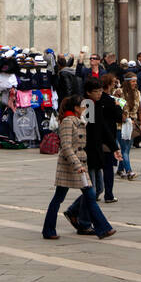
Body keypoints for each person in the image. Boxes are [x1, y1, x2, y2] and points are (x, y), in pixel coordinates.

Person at [42, 95, 115, 240]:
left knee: (89, 195)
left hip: (80, 165)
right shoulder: (68, 122)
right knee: (60, 198)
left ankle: (103, 228)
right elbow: (66, 147)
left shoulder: (79, 121)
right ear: (76, 108)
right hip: (71, 166)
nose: (85, 109)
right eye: (83, 107)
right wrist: (77, 165)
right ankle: (49, 229)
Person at [118, 72, 141, 180]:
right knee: (124, 148)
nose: (135, 83)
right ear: (127, 81)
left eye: (135, 81)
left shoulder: (137, 93)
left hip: (133, 124)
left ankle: (120, 169)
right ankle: (129, 171)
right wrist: (125, 118)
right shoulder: (120, 93)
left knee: (127, 149)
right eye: (133, 81)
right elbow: (117, 109)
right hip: (121, 124)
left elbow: (139, 110)